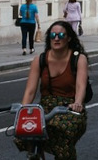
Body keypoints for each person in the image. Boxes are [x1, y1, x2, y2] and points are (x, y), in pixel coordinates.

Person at [18, 20, 88, 159]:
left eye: (61, 35)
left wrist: (78, 103)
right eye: (53, 35)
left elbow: (81, 85)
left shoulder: (78, 59)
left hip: (70, 109)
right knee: (25, 131)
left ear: (68, 38)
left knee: (60, 134)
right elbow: (30, 91)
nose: (56, 38)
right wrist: (23, 111)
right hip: (45, 109)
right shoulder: (40, 60)